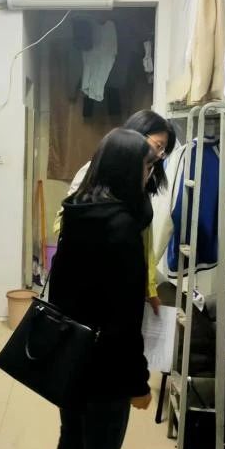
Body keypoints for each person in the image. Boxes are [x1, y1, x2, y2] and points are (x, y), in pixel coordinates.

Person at [49, 128, 156, 449]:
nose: (149, 175)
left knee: (71, 441)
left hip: (71, 355)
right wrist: (138, 381)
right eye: (146, 167)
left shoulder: (76, 211)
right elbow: (125, 319)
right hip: (107, 367)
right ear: (127, 169)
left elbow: (59, 289)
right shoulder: (123, 229)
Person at [54, 109, 177, 318]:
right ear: (138, 135)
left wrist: (149, 288)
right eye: (158, 146)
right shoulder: (96, 172)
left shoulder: (143, 179)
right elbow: (63, 225)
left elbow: (145, 240)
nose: (159, 155)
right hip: (92, 285)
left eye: (163, 150)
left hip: (123, 282)